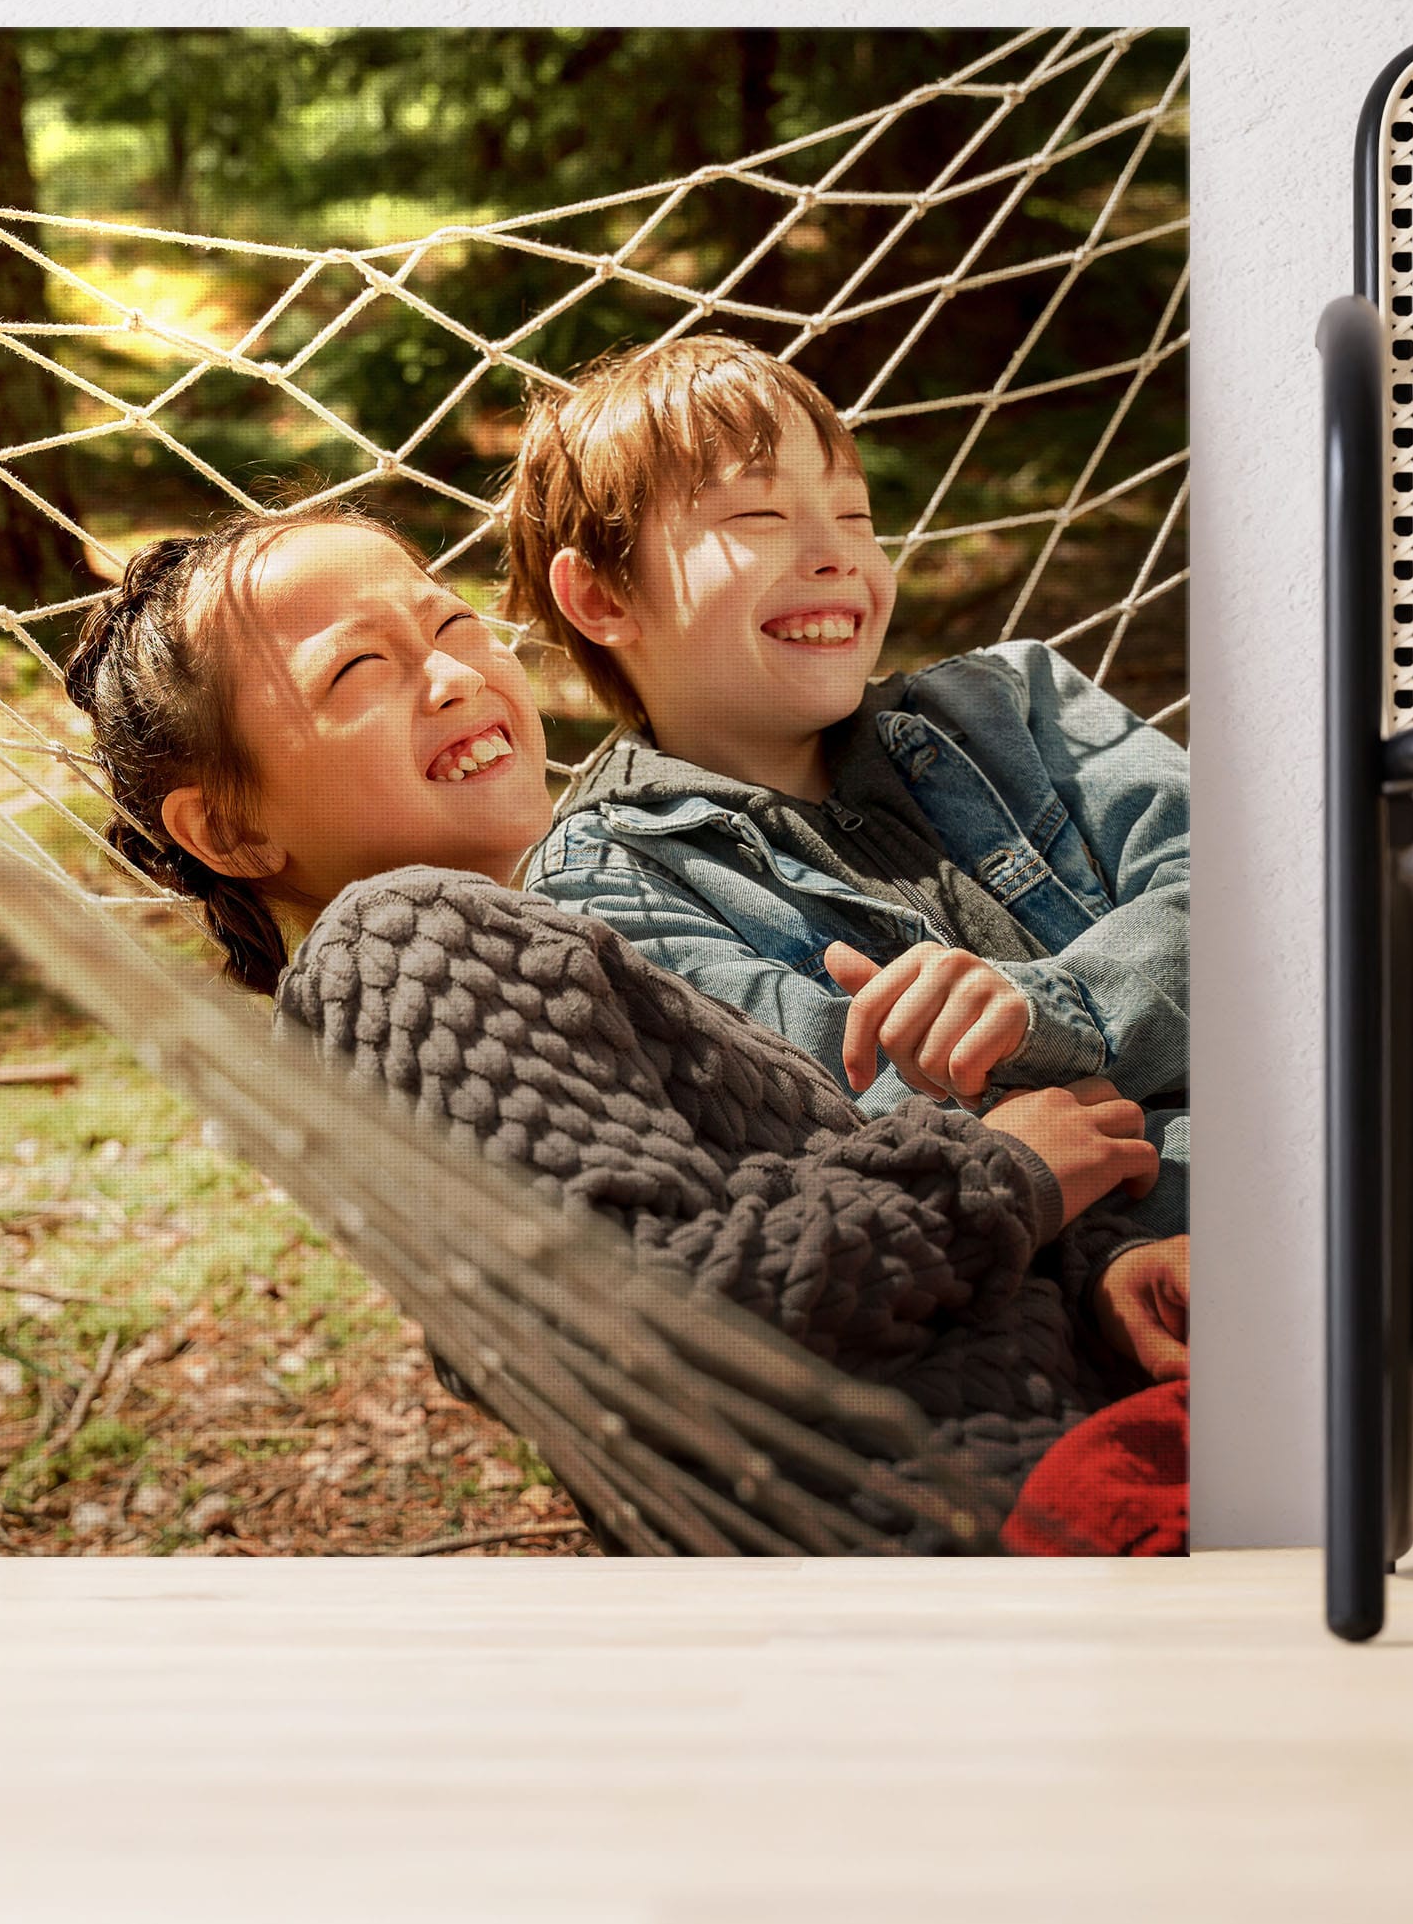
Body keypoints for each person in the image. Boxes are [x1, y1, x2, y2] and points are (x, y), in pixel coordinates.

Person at [57, 510, 1188, 1515]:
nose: (452, 676)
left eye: (450, 626)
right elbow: (649, 1317)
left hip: (1053, 1447)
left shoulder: (557, 946)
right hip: (1001, 1507)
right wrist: (996, 1174)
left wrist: (1091, 1264)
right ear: (231, 835)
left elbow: (798, 1230)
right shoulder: (401, 942)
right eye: (358, 670)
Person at [497, 333, 1192, 1244]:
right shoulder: (608, 886)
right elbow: (820, 1119)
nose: (836, 555)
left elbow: (1254, 901)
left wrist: (1053, 1009)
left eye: (857, 517)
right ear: (601, 600)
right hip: (1091, 1268)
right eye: (758, 518)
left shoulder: (1014, 703)